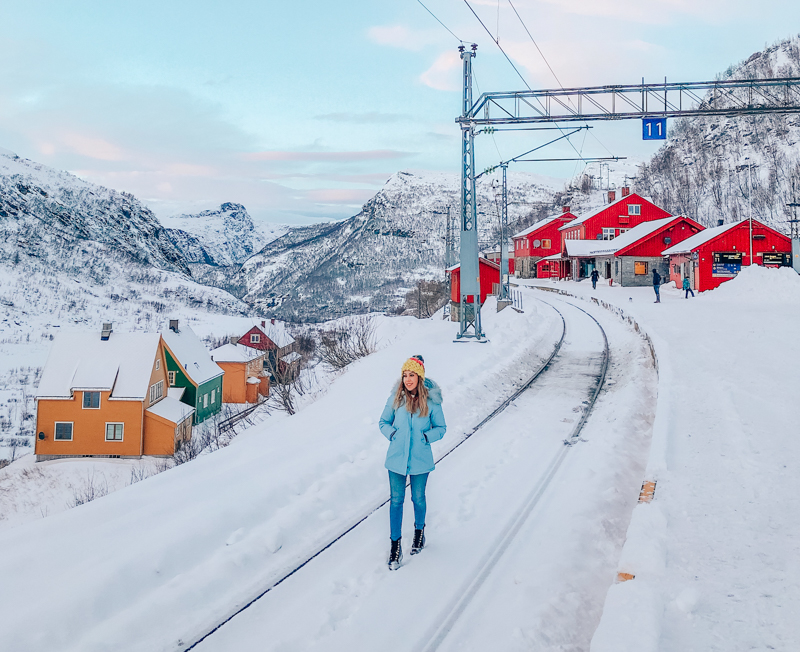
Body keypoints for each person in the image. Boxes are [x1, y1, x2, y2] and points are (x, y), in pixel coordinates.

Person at [379, 355, 446, 570]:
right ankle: (395, 545)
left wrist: (427, 437)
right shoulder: (395, 399)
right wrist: (393, 434)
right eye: (404, 375)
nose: (407, 380)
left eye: (412, 375)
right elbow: (383, 422)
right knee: (396, 501)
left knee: (418, 498)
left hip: (420, 459)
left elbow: (441, 428)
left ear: (420, 377)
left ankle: (419, 532)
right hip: (396, 459)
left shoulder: (432, 402)